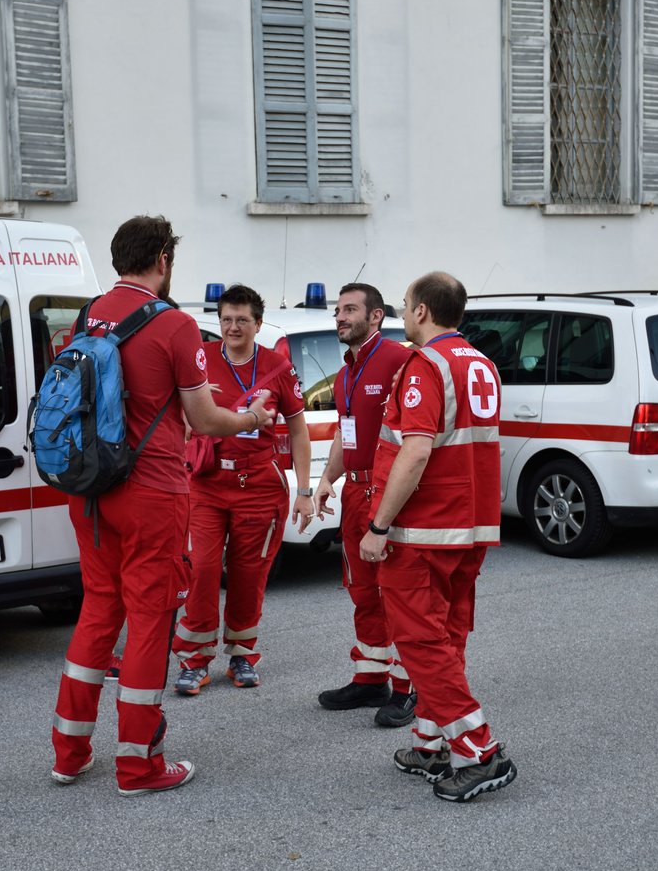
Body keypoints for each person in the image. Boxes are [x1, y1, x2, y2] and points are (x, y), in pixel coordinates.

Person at [49, 217, 271, 796]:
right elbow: (204, 419)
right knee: (149, 619)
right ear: (164, 260)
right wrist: (251, 418)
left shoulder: (88, 313)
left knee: (99, 611)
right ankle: (139, 765)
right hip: (151, 491)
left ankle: (69, 754)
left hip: (91, 488)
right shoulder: (173, 326)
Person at [358, 271, 516, 802]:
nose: (404, 313)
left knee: (420, 642)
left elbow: (417, 449)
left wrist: (379, 524)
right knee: (447, 637)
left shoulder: (426, 364)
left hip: (422, 528)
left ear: (422, 310)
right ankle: (430, 742)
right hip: (469, 525)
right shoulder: (483, 364)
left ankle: (479, 750)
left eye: (405, 305)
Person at [171, 284, 314, 694]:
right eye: (226, 320)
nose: (233, 327)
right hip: (207, 484)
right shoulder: (200, 361)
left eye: (242, 320)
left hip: (259, 486)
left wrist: (304, 489)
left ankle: (242, 653)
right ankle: (194, 659)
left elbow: (300, 433)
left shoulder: (278, 366)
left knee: (249, 574)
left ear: (258, 323)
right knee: (200, 569)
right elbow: (175, 418)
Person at [303, 283, 416, 727]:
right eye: (338, 311)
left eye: (350, 310)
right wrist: (327, 479)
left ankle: (410, 687)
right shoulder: (348, 369)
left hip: (388, 492)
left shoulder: (400, 360)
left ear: (375, 317)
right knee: (363, 589)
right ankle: (371, 678)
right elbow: (343, 432)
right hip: (355, 491)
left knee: (398, 592)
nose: (340, 318)